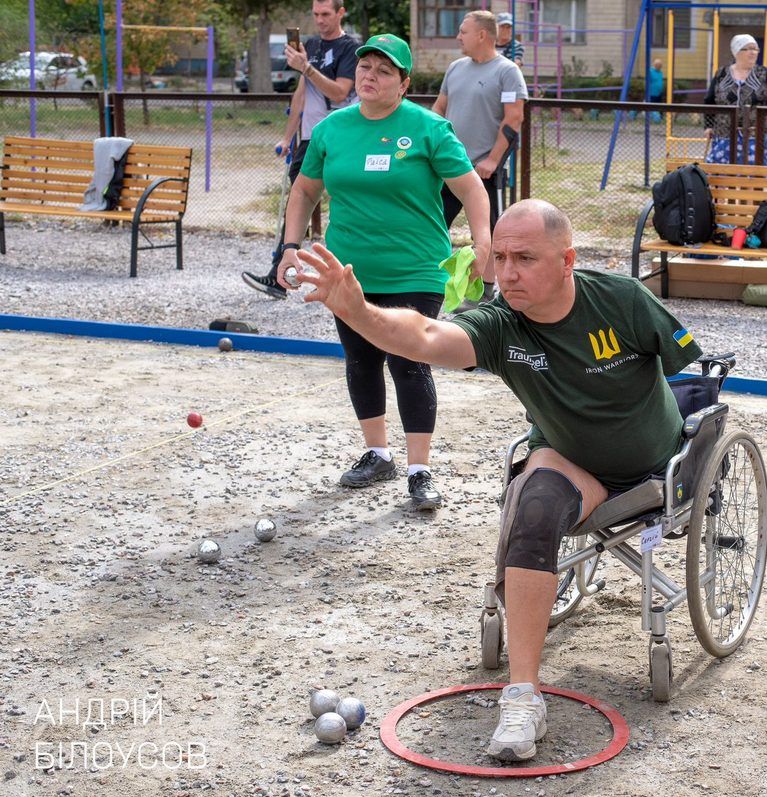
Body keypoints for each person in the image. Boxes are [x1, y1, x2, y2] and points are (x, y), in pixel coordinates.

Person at [293, 199, 704, 761]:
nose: (508, 273)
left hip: (653, 470)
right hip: (570, 461)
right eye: (501, 257)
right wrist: (359, 311)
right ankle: (524, 694)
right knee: (533, 506)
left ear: (567, 260)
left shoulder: (621, 299)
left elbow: (688, 367)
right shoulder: (500, 323)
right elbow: (423, 335)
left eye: (525, 258)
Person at [274, 33, 493, 510]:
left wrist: (483, 242)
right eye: (366, 67)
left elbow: (474, 190)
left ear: (404, 82)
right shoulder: (333, 129)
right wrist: (290, 247)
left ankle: (420, 470)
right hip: (348, 271)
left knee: (409, 362)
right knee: (361, 360)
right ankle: (378, 454)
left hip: (416, 268)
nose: (371, 76)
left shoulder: (429, 128)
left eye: (385, 71)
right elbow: (304, 191)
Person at [242, 0, 358, 300]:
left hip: (341, 137)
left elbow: (341, 92)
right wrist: (287, 137)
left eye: (326, 14)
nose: (319, 20)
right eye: (315, 14)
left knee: (347, 206)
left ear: (340, 13)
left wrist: (306, 67)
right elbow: (301, 95)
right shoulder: (311, 45)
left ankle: (349, 279)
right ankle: (280, 275)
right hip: (310, 140)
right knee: (299, 203)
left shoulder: (350, 49)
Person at [434, 10, 528, 302]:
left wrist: (492, 160)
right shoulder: (455, 68)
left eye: (463, 31)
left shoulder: (507, 71)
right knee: (432, 225)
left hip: (484, 170)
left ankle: (483, 294)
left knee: (485, 233)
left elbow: (514, 119)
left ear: (482, 35)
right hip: (449, 168)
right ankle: (429, 284)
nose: (458, 36)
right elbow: (439, 109)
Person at [703, 34, 767, 165]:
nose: (753, 52)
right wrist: (708, 126)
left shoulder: (763, 74)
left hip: (755, 135)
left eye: (755, 49)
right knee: (721, 175)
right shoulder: (722, 74)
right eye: (749, 48)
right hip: (724, 134)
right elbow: (709, 100)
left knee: (753, 175)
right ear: (737, 52)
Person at [647, 58, 665, 122]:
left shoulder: (660, 72)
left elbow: (660, 81)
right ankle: (655, 119)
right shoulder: (650, 72)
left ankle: (660, 117)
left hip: (659, 93)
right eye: (659, 65)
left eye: (660, 65)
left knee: (659, 105)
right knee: (652, 106)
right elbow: (648, 82)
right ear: (655, 65)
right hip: (652, 93)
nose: (660, 67)